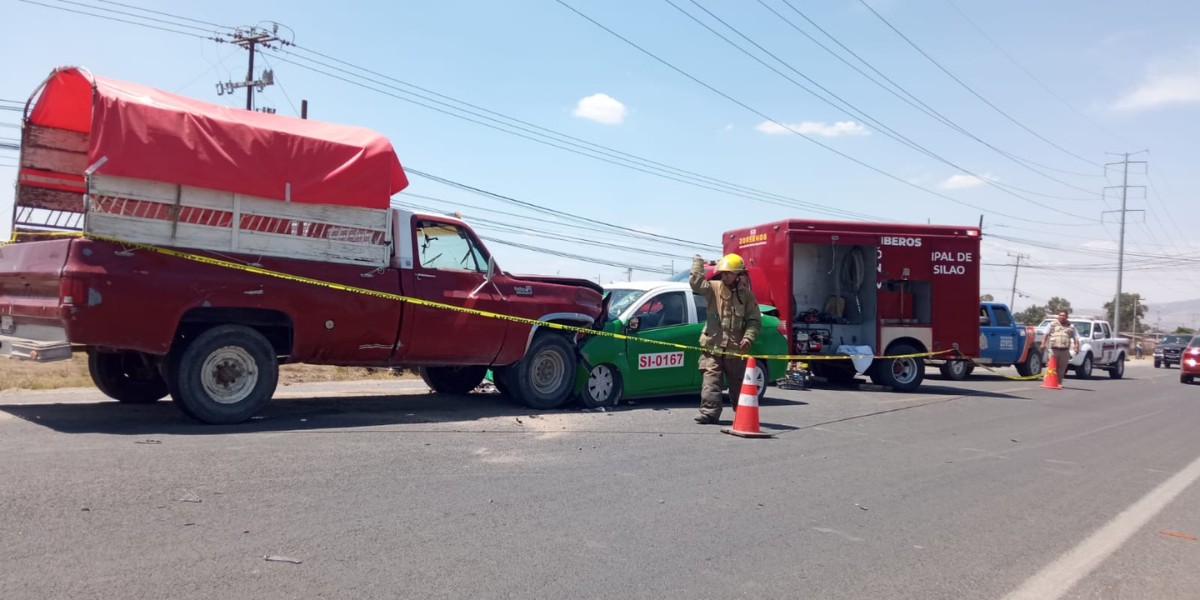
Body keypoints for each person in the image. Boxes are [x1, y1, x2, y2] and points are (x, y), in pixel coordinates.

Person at [689, 253, 761, 424]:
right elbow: (696, 283)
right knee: (711, 380)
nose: (725, 276)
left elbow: (754, 321)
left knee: (738, 384)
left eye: (729, 273)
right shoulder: (712, 288)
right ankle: (709, 413)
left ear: (738, 274)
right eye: (723, 272)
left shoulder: (748, 297)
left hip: (735, 349)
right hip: (713, 346)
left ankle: (743, 414)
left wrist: (748, 337)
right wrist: (698, 263)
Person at [1044, 311, 1079, 376]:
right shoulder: (1052, 324)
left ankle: (1058, 383)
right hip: (1053, 350)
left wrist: (1076, 347)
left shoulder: (1071, 326)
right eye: (1060, 315)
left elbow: (1076, 338)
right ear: (1058, 316)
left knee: (1062, 368)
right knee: (1051, 366)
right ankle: (1048, 382)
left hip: (1065, 350)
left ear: (1067, 317)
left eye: (1064, 316)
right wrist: (1043, 344)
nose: (1062, 317)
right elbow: (1045, 334)